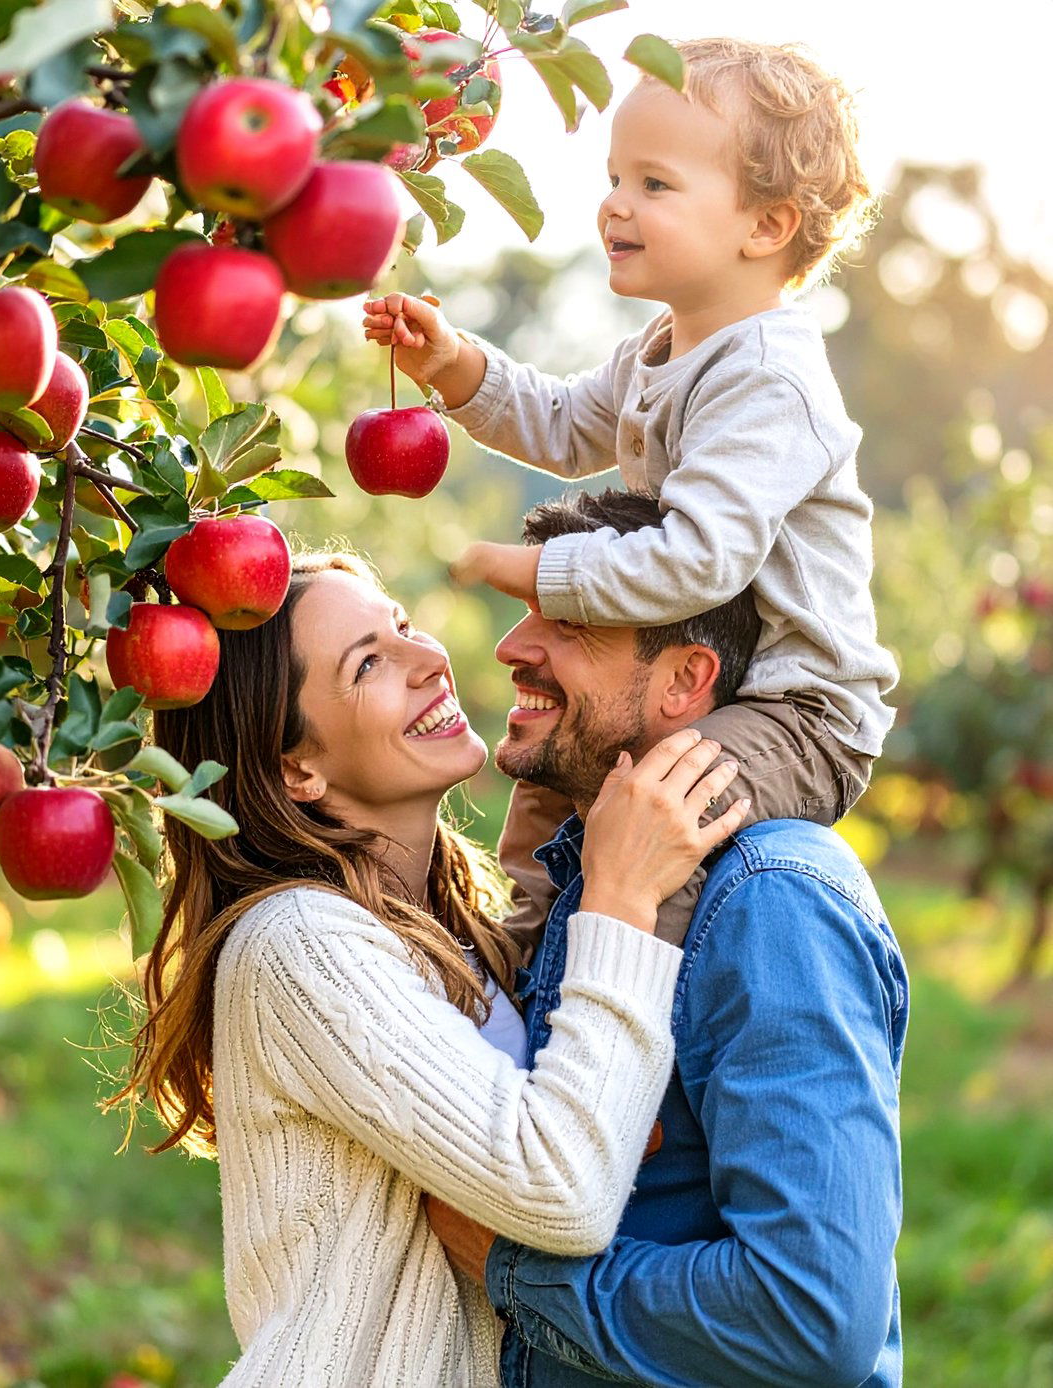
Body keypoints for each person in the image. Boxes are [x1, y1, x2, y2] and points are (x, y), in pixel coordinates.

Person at [111, 549, 750, 1387]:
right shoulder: (298, 946)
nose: (429, 660)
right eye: (369, 663)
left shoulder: (446, 933)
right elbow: (562, 1187)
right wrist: (622, 899)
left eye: (404, 627)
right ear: (295, 767)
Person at [362, 35, 899, 939]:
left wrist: (538, 572)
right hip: (696, 683)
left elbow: (696, 561)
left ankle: (635, 1019)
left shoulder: (771, 379)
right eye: (615, 178)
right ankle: (515, 986)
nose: (615, 204)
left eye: (654, 184)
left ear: (765, 226)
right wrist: (453, 368)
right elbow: (569, 425)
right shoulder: (663, 345)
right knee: (548, 793)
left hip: (796, 709)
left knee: (655, 824)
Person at [425, 488, 909, 1387]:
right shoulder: (586, 876)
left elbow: (813, 1319)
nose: (509, 648)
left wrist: (515, 1270)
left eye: (571, 624)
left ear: (687, 681)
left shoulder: (769, 902)